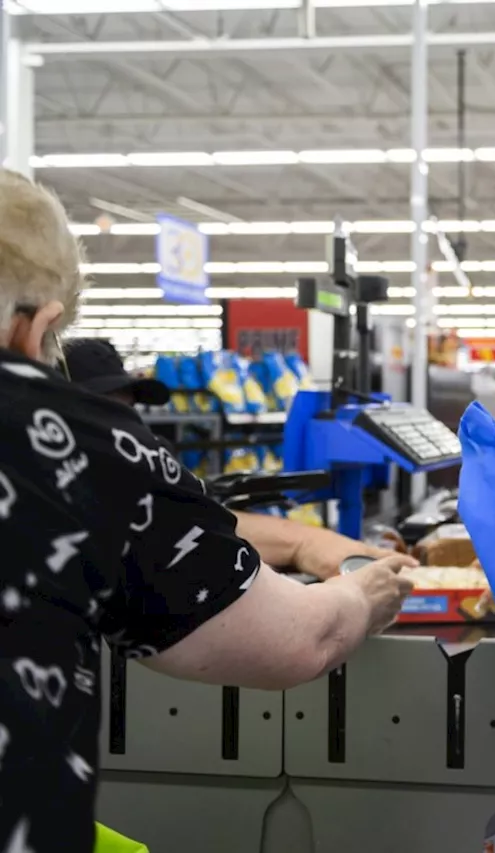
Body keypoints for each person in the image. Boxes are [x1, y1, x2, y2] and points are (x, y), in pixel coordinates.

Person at [0, 167, 417, 852]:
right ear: (38, 328)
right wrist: (360, 591)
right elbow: (296, 639)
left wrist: (304, 545)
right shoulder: (68, 436)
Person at [63, 337, 398, 580]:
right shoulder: (50, 497)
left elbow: (196, 521)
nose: (123, 426)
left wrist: (307, 543)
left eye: (128, 408)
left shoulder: (140, 467)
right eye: (105, 408)